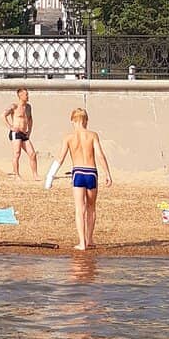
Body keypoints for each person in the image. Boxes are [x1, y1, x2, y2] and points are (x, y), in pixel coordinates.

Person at [53, 107, 112, 251]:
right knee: (91, 207)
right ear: (86, 120)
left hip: (78, 172)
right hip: (91, 172)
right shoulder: (92, 135)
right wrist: (108, 174)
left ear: (73, 120)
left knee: (80, 209)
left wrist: (51, 175)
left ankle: (82, 243)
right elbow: (100, 155)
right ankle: (89, 239)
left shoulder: (68, 137)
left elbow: (60, 158)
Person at [4, 87, 39, 180]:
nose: (28, 96)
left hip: (24, 133)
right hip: (16, 133)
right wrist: (10, 127)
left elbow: (30, 119)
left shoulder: (28, 107)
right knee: (17, 153)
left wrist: (29, 131)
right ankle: (16, 175)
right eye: (26, 94)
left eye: (28, 94)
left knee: (32, 154)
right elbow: (3, 116)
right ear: (20, 95)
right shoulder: (14, 106)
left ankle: (35, 175)